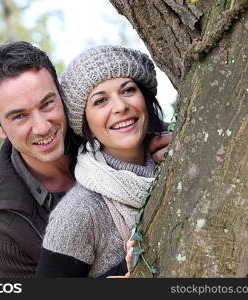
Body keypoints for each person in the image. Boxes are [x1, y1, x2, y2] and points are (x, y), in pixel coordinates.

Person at [0, 41, 171, 278]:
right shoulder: (5, 226)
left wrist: (180, 143)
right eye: (20, 116)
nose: (42, 127)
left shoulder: (112, 129)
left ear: (62, 94)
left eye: (47, 104)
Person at [36, 45, 164, 278]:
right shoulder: (79, 212)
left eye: (127, 90)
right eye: (100, 101)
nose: (120, 106)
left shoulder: (179, 161)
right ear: (84, 122)